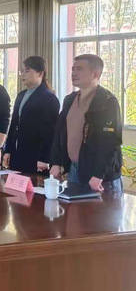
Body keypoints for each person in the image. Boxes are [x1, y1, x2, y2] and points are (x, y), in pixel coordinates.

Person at [50, 54, 123, 192]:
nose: (74, 73)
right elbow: (60, 133)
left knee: (101, 207)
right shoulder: (69, 100)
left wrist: (99, 173)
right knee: (73, 206)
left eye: (79, 69)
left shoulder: (107, 101)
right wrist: (55, 162)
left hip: (99, 175)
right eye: (73, 69)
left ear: (95, 74)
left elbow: (111, 141)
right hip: (74, 169)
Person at [3, 57, 60, 174]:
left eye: (27, 71)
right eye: (22, 71)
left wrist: (44, 158)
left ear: (40, 73)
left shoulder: (49, 98)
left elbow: (50, 131)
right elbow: (14, 124)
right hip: (18, 153)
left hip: (36, 156)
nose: (23, 74)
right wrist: (8, 150)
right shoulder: (21, 95)